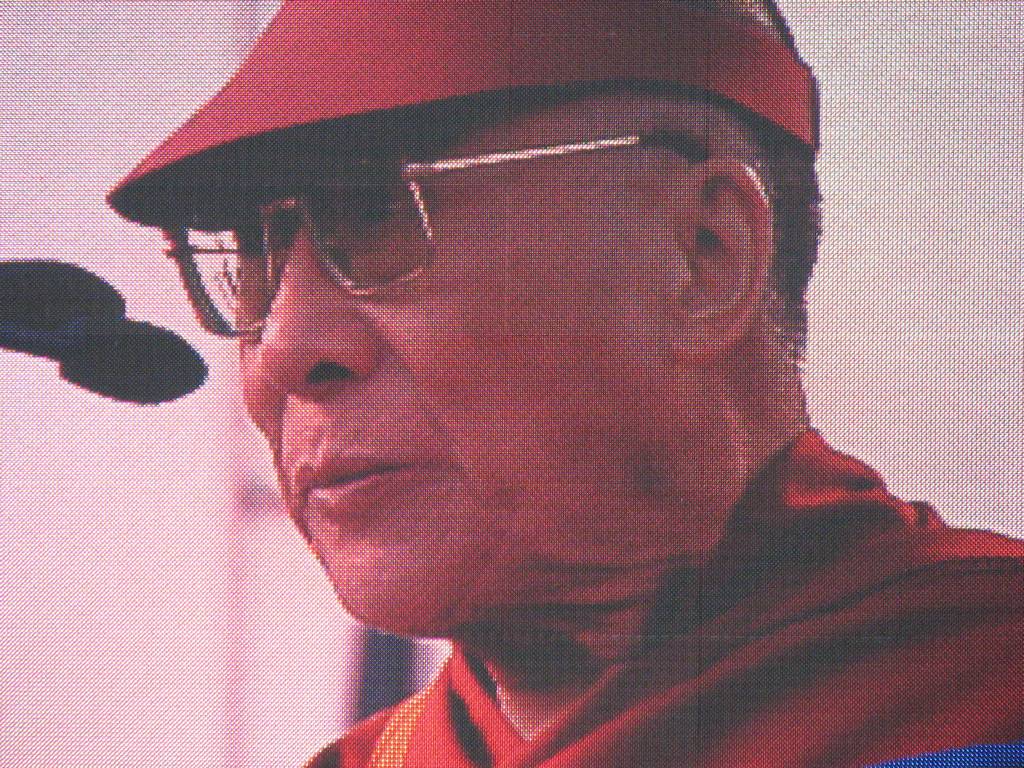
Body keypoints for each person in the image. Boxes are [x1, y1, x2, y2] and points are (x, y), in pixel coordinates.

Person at [107, 1, 1024, 766]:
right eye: (256, 254)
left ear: (702, 257)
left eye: (376, 214)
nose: (284, 351)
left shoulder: (988, 697)